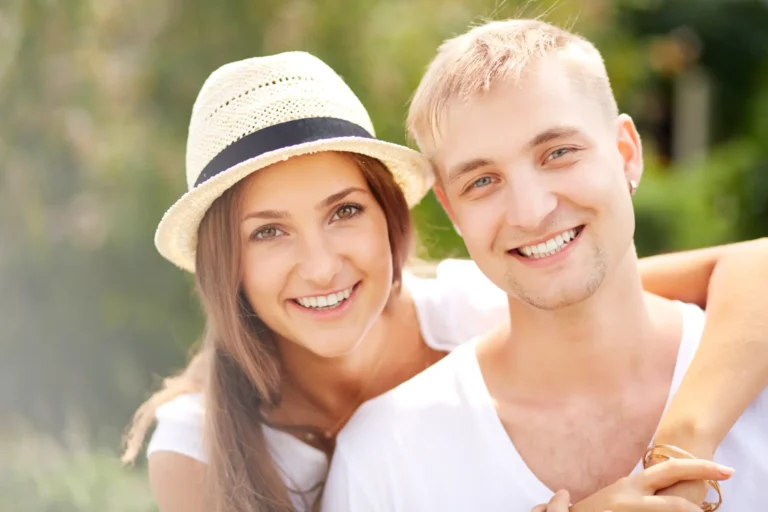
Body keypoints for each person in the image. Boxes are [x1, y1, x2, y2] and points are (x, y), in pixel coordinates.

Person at [122, 51, 768, 512]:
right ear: (224, 263)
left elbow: (744, 269)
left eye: (344, 212)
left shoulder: (471, 307)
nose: (319, 266)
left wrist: (678, 455)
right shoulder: (200, 442)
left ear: (390, 217)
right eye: (268, 232)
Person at [321, 19, 768, 512]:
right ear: (452, 212)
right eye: (482, 181)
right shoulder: (385, 459)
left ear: (626, 154)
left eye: (558, 153)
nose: (531, 211)